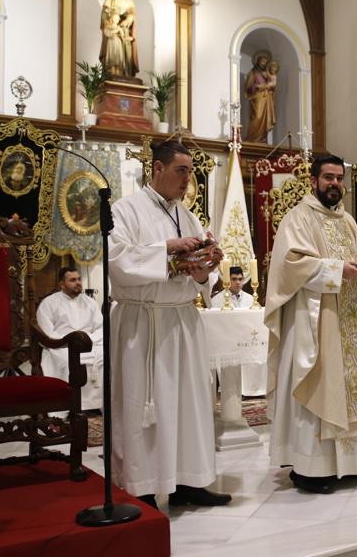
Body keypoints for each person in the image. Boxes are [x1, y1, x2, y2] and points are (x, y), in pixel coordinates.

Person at [109, 140, 231, 509]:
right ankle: (142, 485)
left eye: (190, 171)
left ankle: (188, 482)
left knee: (189, 403)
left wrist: (202, 269)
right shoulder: (124, 210)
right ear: (157, 169)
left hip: (181, 319)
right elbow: (116, 259)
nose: (187, 179)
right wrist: (168, 250)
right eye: (181, 170)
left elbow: (201, 277)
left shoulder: (187, 213)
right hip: (142, 323)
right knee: (143, 406)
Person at [265, 154, 357, 494]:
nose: (334, 184)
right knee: (320, 386)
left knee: (350, 387)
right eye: (328, 177)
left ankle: (350, 466)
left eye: (338, 178)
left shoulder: (347, 220)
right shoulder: (299, 218)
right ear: (314, 181)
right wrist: (338, 269)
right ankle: (311, 470)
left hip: (349, 320)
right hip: (315, 320)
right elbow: (292, 264)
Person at [36, 268, 104, 410]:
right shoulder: (49, 303)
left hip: (88, 344)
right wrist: (70, 342)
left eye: (79, 279)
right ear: (62, 284)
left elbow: (100, 328)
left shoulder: (90, 302)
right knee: (67, 361)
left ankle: (97, 405)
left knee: (105, 357)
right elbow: (46, 332)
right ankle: (68, 406)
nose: (78, 283)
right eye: (73, 280)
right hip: (60, 346)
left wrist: (86, 340)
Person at [212, 266, 263, 395]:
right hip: (228, 342)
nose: (238, 282)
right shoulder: (217, 299)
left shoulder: (251, 299)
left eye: (240, 279)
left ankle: (255, 388)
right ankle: (235, 390)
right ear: (227, 280)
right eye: (234, 279)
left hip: (247, 340)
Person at [100, 0, 139, 78]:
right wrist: (109, 23)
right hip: (112, 29)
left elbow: (132, 15)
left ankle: (126, 73)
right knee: (112, 53)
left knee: (126, 51)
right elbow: (104, 14)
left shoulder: (130, 1)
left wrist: (127, 20)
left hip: (124, 29)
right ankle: (111, 72)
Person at [244, 52, 276, 143]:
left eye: (266, 62)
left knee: (265, 118)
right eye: (263, 61)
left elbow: (273, 85)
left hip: (266, 98)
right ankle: (252, 138)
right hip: (257, 97)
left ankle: (262, 138)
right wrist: (256, 87)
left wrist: (267, 85)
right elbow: (248, 86)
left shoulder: (268, 73)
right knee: (257, 117)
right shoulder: (253, 72)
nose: (264, 63)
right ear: (258, 61)